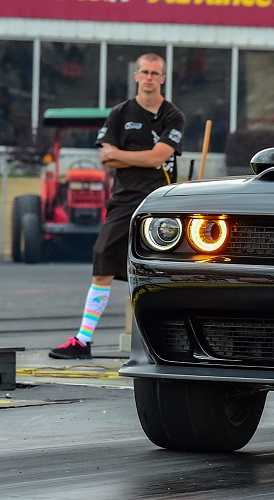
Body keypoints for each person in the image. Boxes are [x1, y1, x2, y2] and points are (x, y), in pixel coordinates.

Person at [49, 53, 185, 360]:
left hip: (159, 203)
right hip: (124, 199)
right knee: (102, 259)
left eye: (155, 73)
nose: (149, 77)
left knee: (159, 271)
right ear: (136, 76)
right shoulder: (120, 112)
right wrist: (145, 156)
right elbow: (106, 157)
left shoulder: (173, 116)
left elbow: (155, 158)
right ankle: (83, 341)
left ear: (163, 78)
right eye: (145, 72)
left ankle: (165, 344)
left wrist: (125, 155)